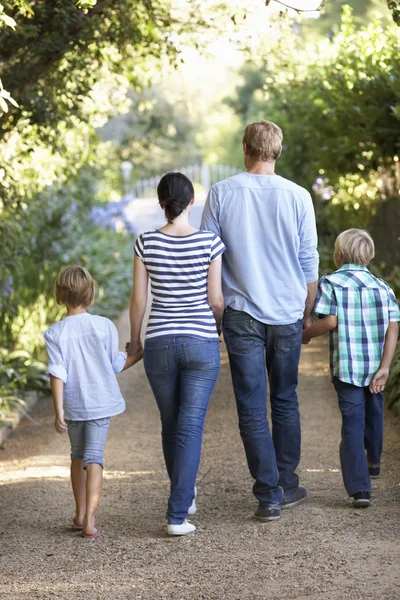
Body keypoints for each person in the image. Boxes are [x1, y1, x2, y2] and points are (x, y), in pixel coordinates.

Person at [201, 120, 319, 521]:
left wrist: (215, 312)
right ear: (278, 150)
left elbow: (209, 260)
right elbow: (308, 263)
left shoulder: (221, 194)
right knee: (285, 399)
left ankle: (268, 494)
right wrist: (307, 314)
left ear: (245, 148)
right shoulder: (299, 196)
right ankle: (286, 484)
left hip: (241, 314)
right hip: (287, 312)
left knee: (251, 407)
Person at [127, 172, 225, 536]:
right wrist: (216, 330)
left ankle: (185, 494)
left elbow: (139, 300)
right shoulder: (209, 243)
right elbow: (216, 300)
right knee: (190, 425)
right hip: (200, 342)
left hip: (160, 344)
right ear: (192, 200)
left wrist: (135, 342)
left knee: (172, 424)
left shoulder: (145, 242)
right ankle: (177, 513)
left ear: (160, 202)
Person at [44, 266, 143, 538]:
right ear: (90, 294)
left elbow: (57, 372)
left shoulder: (54, 333)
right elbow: (114, 365)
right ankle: (90, 521)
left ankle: (78, 513)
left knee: (77, 456)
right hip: (100, 403)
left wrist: (58, 410)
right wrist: (138, 355)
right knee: (94, 457)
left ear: (59, 295)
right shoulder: (103, 326)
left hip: (74, 405)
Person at [303, 229, 400, 507]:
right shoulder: (383, 286)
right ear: (369, 255)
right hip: (375, 368)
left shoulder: (331, 282)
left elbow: (330, 322)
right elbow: (393, 328)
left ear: (339, 254)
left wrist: (306, 335)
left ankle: (360, 489)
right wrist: (385, 367)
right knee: (375, 413)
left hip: (346, 367)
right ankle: (373, 463)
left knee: (352, 422)